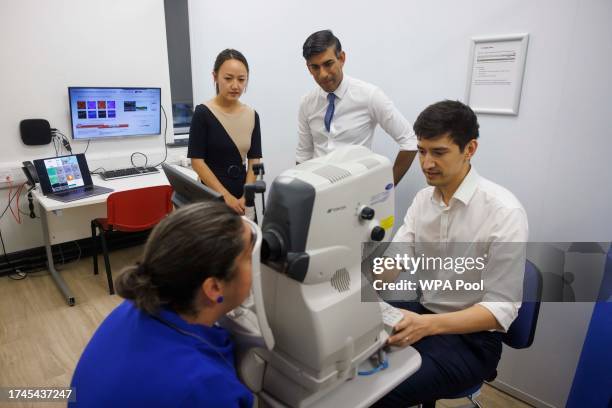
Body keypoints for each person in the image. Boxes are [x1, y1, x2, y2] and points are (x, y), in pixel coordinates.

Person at [373, 100, 528, 407]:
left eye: (439, 152)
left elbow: (501, 310)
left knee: (377, 391)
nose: (427, 162)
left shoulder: (503, 212)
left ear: (470, 149)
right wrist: (361, 282)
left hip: (473, 340)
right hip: (425, 313)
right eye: (421, 151)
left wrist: (425, 326)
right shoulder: (423, 200)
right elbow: (398, 256)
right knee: (345, 355)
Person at [70, 201, 254, 407]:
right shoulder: (205, 386)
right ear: (214, 289)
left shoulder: (131, 308)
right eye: (249, 256)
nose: (256, 264)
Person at [296, 29, 417, 185]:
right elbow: (303, 155)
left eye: (328, 64)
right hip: (318, 193)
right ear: (308, 67)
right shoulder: (307, 102)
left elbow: (409, 141)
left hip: (356, 193)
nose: (323, 74)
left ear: (341, 58)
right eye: (315, 67)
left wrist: (386, 187)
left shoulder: (369, 95)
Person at [188, 49, 262, 216]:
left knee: (248, 240)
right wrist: (225, 197)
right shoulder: (203, 113)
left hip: (243, 195)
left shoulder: (252, 115)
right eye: (228, 78)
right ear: (215, 77)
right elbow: (197, 162)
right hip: (212, 195)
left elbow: (254, 160)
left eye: (241, 79)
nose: (235, 85)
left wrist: (247, 195)